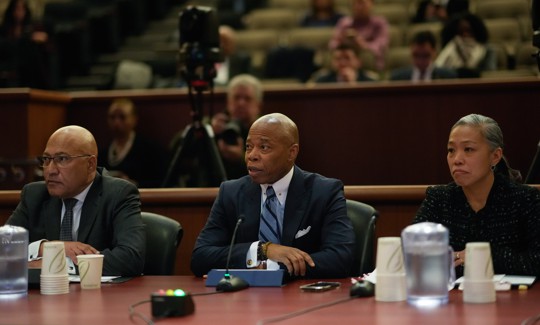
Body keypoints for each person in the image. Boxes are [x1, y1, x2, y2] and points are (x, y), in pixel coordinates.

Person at [191, 113, 355, 279]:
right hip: (244, 299)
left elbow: (341, 258)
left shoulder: (324, 192)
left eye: (264, 147)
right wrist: (263, 250)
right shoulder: (231, 192)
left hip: (301, 297)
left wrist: (270, 268)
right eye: (248, 147)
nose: (252, 155)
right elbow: (201, 257)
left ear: (292, 152)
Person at [6, 125, 145, 276]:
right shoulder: (34, 195)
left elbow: (131, 258)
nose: (50, 170)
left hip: (99, 297)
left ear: (90, 165)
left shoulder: (118, 194)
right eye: (46, 159)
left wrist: (57, 264)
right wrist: (46, 248)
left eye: (62, 159)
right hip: (44, 295)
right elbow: (4, 245)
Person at [413, 114, 540, 277]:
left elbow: (536, 260)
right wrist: (459, 258)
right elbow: (410, 250)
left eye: (468, 149)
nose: (457, 159)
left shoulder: (524, 199)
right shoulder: (439, 198)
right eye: (451, 150)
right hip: (451, 298)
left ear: (495, 156)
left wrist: (483, 256)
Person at [98, 98, 167, 188]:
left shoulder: (150, 150)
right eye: (112, 117)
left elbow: (160, 182)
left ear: (134, 119)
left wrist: (133, 184)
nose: (116, 122)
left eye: (122, 117)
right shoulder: (103, 152)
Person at [0, 0, 55, 89]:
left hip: (26, 66)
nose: (19, 13)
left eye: (22, 9)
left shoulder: (30, 27)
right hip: (10, 62)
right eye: (17, 9)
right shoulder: (4, 29)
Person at [328, 0, 389, 71]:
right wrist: (341, 41)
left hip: (370, 66)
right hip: (345, 66)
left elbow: (381, 46)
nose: (359, 7)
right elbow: (332, 45)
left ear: (372, 4)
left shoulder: (379, 23)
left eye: (362, 3)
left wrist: (362, 44)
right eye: (356, 3)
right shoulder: (344, 23)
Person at [435, 12, 496, 78]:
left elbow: (489, 73)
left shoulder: (487, 50)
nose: (465, 35)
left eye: (469, 31)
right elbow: (436, 68)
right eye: (462, 32)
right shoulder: (450, 47)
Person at [389, 31, 457, 82]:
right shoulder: (398, 78)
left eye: (425, 56)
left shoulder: (447, 77)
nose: (420, 61)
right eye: (416, 55)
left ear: (434, 53)